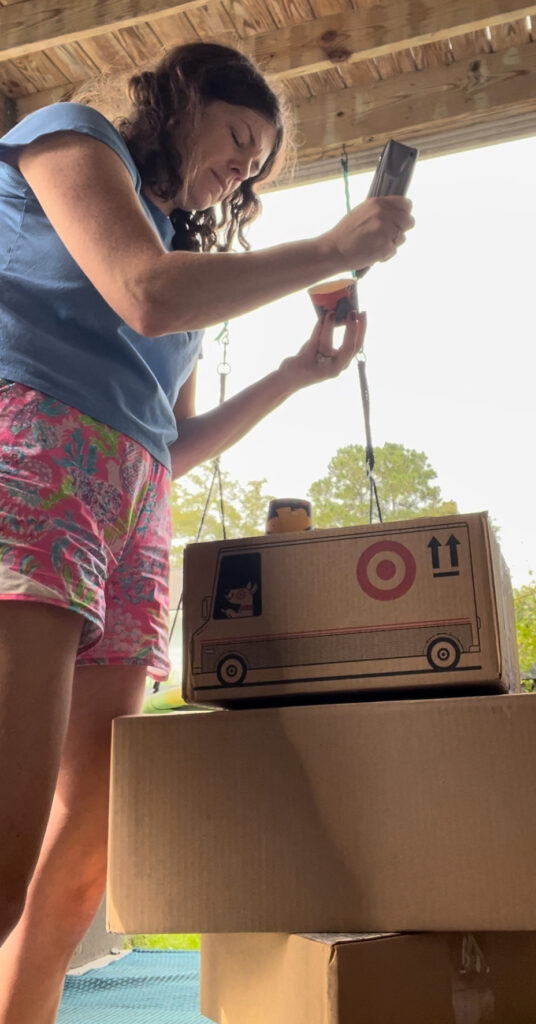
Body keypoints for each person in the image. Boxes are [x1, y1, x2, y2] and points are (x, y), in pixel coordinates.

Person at [0, 41, 413, 1023]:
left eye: (258, 163)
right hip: (37, 458)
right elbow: (142, 293)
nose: (243, 169)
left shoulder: (186, 253)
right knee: (8, 833)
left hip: (133, 504)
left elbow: (172, 439)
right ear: (180, 103)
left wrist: (295, 375)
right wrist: (330, 250)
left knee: (87, 844)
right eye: (239, 140)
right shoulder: (69, 136)